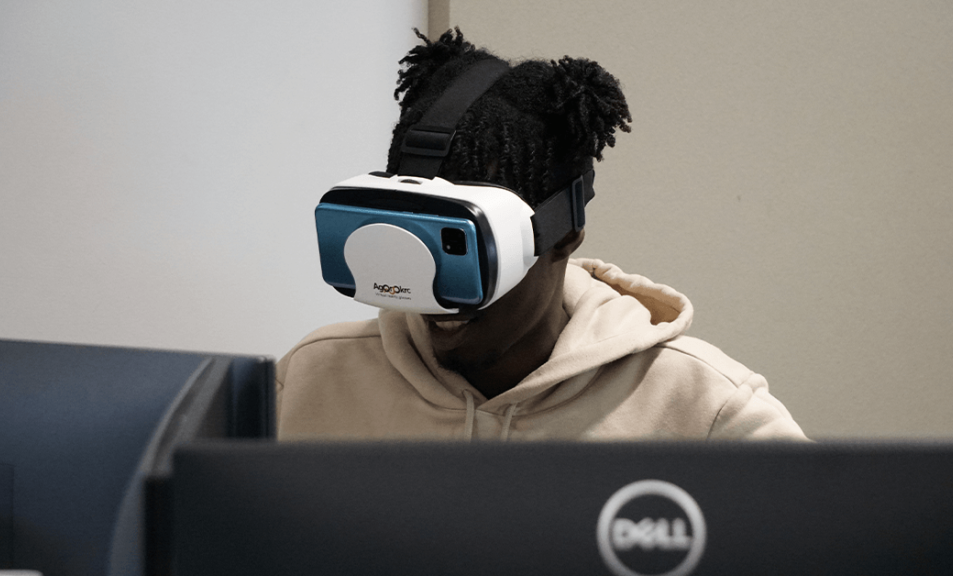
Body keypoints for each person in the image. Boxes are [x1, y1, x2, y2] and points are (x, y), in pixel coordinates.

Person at [276, 29, 807, 442]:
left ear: (563, 232)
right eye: (416, 233)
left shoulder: (702, 406)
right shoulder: (308, 384)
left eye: (463, 241)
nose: (434, 284)